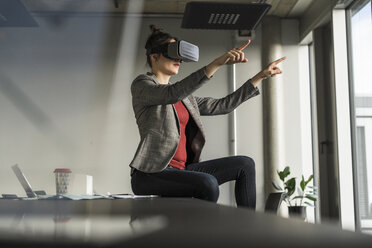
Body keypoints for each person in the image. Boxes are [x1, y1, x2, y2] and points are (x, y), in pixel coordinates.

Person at [129, 25, 285, 209]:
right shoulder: (143, 85)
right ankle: (201, 234)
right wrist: (217, 63)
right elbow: (171, 93)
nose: (179, 59)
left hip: (181, 170)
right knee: (208, 183)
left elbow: (223, 105)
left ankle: (247, 228)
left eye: (180, 54)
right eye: (172, 53)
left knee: (245, 164)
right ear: (154, 56)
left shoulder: (185, 97)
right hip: (152, 172)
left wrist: (260, 76)